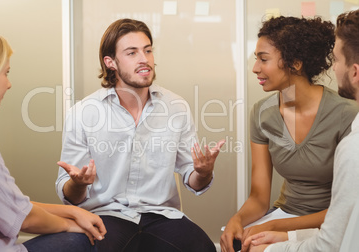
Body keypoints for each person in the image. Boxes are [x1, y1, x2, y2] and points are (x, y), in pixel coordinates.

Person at [56, 18, 224, 252]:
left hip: (161, 216)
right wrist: (78, 184)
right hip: (106, 216)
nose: (144, 59)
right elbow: (70, 195)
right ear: (110, 62)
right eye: (132, 53)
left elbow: (192, 179)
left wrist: (203, 172)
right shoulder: (83, 113)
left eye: (147, 50)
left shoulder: (176, 106)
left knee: (203, 248)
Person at [0, 25, 106, 252]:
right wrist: (70, 225)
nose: (8, 83)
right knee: (83, 240)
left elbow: (11, 205)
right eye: (5, 73)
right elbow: (24, 220)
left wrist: (73, 211)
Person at [221, 16, 358, 252]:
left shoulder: (347, 115)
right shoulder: (262, 114)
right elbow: (259, 197)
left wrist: (278, 226)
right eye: (256, 59)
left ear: (295, 64)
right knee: (237, 243)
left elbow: (345, 209)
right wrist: (238, 220)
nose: (255, 68)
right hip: (284, 213)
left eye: (264, 59)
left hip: (329, 222)